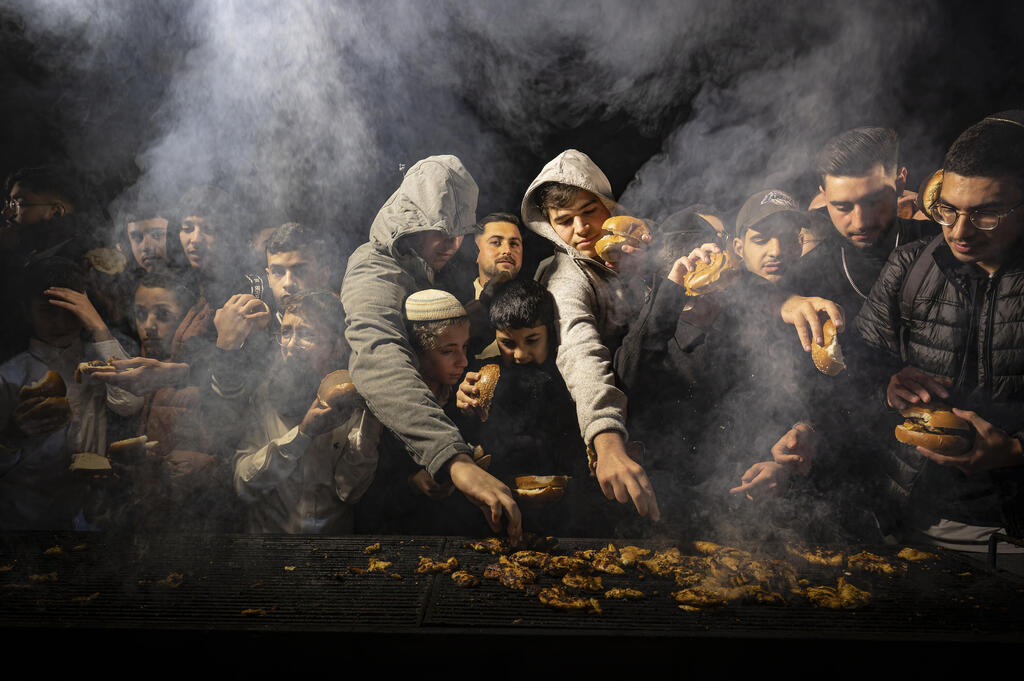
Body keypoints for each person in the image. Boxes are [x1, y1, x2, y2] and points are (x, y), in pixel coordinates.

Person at [855, 111, 1024, 552]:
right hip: (913, 528)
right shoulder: (909, 266)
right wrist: (885, 385)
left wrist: (1016, 451)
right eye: (948, 210)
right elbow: (855, 372)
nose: (960, 232)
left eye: (986, 215)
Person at [340, 155, 521, 541]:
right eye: (442, 231)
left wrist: (489, 302)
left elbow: (435, 334)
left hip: (422, 463)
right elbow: (380, 358)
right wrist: (453, 459)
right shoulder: (374, 269)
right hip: (379, 473)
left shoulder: (422, 260)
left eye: (460, 233)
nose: (454, 245)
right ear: (411, 220)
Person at [0, 258, 141, 529]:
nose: (61, 322)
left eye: (71, 311)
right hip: (25, 518)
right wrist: (12, 434)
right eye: (47, 311)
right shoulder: (9, 376)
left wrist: (97, 327)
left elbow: (130, 402)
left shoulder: (99, 360)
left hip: (91, 513)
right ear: (26, 312)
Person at [232, 291, 379, 534]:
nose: (290, 346)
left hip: (334, 555)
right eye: (286, 332)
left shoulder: (354, 399)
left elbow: (350, 490)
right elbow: (244, 485)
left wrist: (371, 421)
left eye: (307, 334)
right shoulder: (263, 396)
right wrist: (302, 434)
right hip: (269, 550)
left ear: (337, 347)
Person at [456, 278, 591, 534]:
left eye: (532, 340)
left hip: (566, 510)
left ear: (549, 333)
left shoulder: (570, 374)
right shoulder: (484, 376)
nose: (520, 354)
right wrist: (463, 408)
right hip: (497, 507)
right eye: (508, 343)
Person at [788, 127, 939, 317]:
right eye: (843, 207)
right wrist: (784, 302)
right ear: (824, 196)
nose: (860, 222)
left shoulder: (940, 243)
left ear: (900, 184)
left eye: (874, 202)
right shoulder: (812, 271)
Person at [464, 213, 524, 358]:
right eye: (496, 242)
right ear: (476, 252)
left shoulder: (538, 299)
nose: (507, 250)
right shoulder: (456, 300)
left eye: (514, 244)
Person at [732, 189, 805, 284]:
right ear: (739, 248)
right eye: (762, 240)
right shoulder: (718, 293)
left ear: (800, 245)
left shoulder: (820, 289)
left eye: (787, 239)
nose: (776, 252)